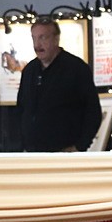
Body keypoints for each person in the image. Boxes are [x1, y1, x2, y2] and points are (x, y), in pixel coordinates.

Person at [17, 18, 102, 152]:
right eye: (34, 38)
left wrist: (79, 146)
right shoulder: (29, 70)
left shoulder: (76, 68)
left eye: (43, 38)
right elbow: (21, 109)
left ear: (56, 39)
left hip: (65, 153)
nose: (37, 44)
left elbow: (93, 112)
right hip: (32, 153)